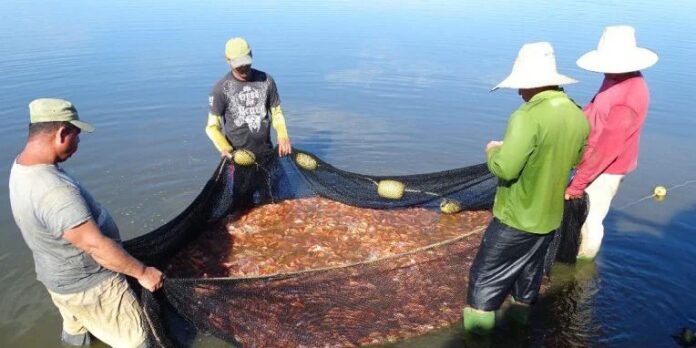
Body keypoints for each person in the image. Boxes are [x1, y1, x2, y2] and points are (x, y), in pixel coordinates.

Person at [8, 98, 164, 347]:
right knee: (139, 340)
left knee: (76, 331)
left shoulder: (21, 166)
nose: (79, 142)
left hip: (58, 281)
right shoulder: (54, 191)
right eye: (76, 134)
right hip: (93, 286)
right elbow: (95, 247)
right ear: (62, 133)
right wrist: (143, 273)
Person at [463, 42, 589, 335]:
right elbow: (576, 159)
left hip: (516, 218)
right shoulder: (576, 112)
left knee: (483, 282)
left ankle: (476, 339)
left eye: (522, 85)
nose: (520, 92)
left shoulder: (526, 116)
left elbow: (505, 168)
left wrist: (494, 151)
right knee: (528, 278)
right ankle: (519, 335)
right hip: (548, 220)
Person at [565, 25, 658, 260]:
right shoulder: (613, 79)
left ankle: (582, 266)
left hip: (607, 169)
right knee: (581, 217)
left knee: (591, 218)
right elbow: (593, 110)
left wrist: (578, 184)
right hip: (592, 161)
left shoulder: (629, 94)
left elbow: (608, 148)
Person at [205, 37, 292, 209]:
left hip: (266, 155)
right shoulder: (221, 89)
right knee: (242, 208)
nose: (244, 68)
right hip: (239, 160)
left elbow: (277, 112)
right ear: (227, 61)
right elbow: (212, 127)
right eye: (239, 64)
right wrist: (225, 148)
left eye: (246, 62)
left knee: (275, 204)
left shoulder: (266, 81)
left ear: (251, 54)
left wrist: (283, 136)